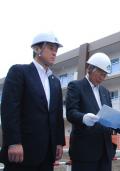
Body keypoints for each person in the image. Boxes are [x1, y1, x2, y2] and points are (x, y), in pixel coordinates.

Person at [0, 32, 65, 171]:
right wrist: (13, 142)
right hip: (21, 152)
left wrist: (59, 142)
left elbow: (57, 114)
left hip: (47, 154)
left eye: (56, 49)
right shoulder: (19, 72)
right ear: (37, 49)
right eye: (51, 48)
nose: (55, 53)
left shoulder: (55, 82)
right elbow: (9, 109)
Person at [66, 52, 120, 171]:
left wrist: (119, 125)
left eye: (105, 75)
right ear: (90, 68)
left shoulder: (105, 92)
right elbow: (71, 112)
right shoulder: (76, 86)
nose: (102, 78)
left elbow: (108, 117)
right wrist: (83, 118)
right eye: (100, 74)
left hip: (105, 151)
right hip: (85, 152)